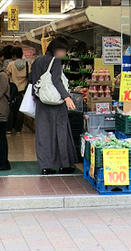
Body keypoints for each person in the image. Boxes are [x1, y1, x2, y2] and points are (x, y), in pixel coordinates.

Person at [30, 37, 78, 175]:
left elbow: (32, 80)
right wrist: (66, 97)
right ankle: (64, 165)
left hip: (41, 103)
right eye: (62, 50)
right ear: (56, 49)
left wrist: (36, 96)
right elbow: (57, 81)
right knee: (61, 133)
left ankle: (46, 166)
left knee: (44, 134)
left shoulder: (38, 60)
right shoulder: (55, 61)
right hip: (56, 103)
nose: (64, 53)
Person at [6, 46, 29, 134]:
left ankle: (9, 128)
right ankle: (18, 128)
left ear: (14, 55)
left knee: (11, 109)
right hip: (22, 91)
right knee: (20, 110)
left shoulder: (11, 64)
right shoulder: (27, 64)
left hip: (12, 90)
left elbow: (7, 75)